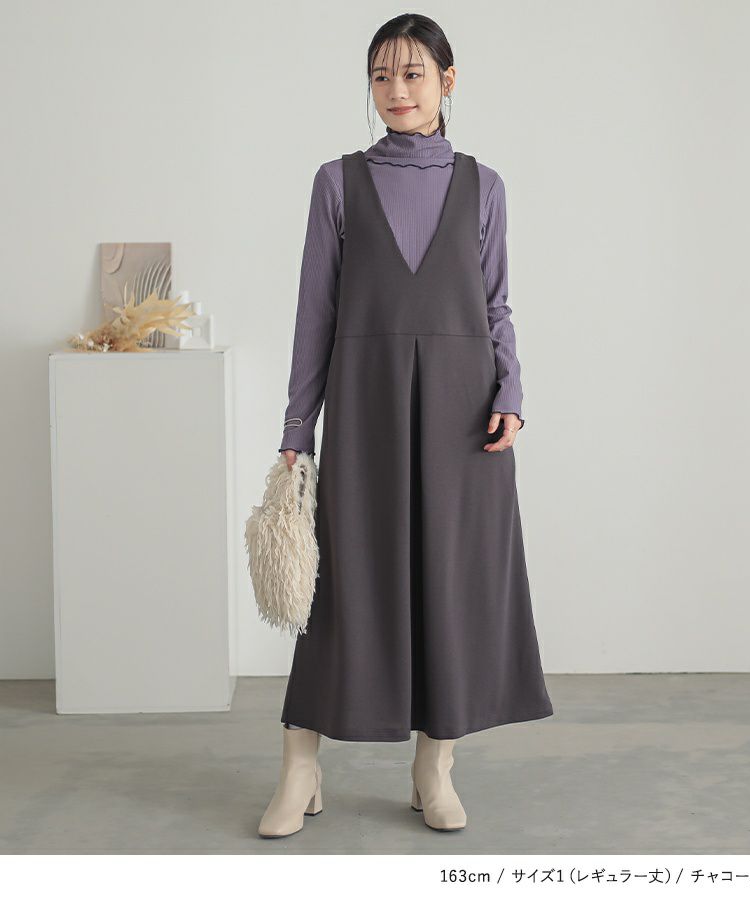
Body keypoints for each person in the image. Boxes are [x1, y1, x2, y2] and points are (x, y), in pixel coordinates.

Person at [258, 13, 553, 839]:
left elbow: (495, 304)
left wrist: (512, 390)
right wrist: (297, 426)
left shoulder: (484, 185)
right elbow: (315, 314)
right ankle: (300, 767)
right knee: (343, 587)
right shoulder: (337, 183)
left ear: (446, 82)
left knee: (449, 585)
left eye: (413, 74)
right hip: (367, 407)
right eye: (382, 75)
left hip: (465, 415)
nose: (396, 90)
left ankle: (434, 767)